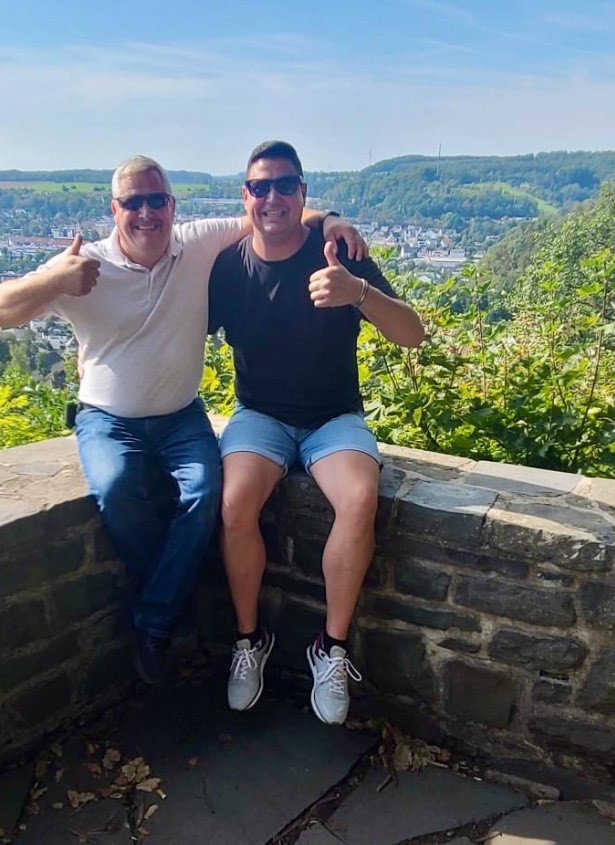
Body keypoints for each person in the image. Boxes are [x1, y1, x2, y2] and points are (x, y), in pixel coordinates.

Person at [0, 154, 368, 685]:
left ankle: (157, 617)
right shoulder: (84, 265)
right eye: (133, 203)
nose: (147, 213)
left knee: (205, 494)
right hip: (107, 418)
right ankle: (162, 616)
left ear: (172, 205)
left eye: (156, 200)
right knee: (119, 487)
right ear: (114, 210)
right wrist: (54, 282)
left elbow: (274, 211)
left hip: (181, 416)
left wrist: (331, 221)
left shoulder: (197, 243)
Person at [208, 141, 424, 724]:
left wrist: (357, 292)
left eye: (285, 185)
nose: (272, 197)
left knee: (358, 499)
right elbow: (172, 331)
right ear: (245, 197)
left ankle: (330, 649)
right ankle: (250, 640)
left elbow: (412, 334)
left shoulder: (337, 251)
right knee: (233, 504)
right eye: (260, 187)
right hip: (260, 416)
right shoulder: (228, 266)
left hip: (334, 418)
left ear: (303, 193)